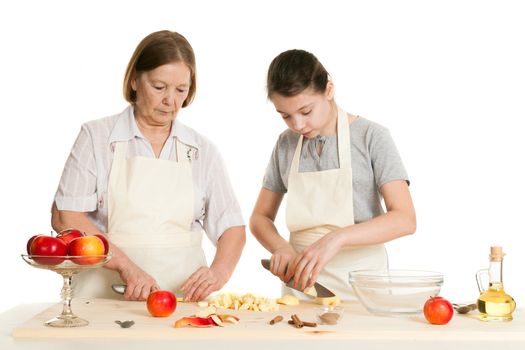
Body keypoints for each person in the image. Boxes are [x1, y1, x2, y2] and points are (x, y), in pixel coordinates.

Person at [51, 30, 245, 302]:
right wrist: (126, 266)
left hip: (182, 301)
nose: (170, 101)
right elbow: (66, 216)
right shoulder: (96, 138)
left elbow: (231, 226)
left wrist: (219, 272)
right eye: (159, 87)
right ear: (134, 80)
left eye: (181, 90)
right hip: (103, 294)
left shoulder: (203, 151)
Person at [250, 49, 416, 300]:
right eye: (285, 116)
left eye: (305, 111)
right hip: (301, 288)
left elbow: (405, 219)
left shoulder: (372, 137)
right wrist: (280, 247)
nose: (297, 125)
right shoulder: (286, 144)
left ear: (329, 90)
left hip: (362, 286)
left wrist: (337, 239)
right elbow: (260, 218)